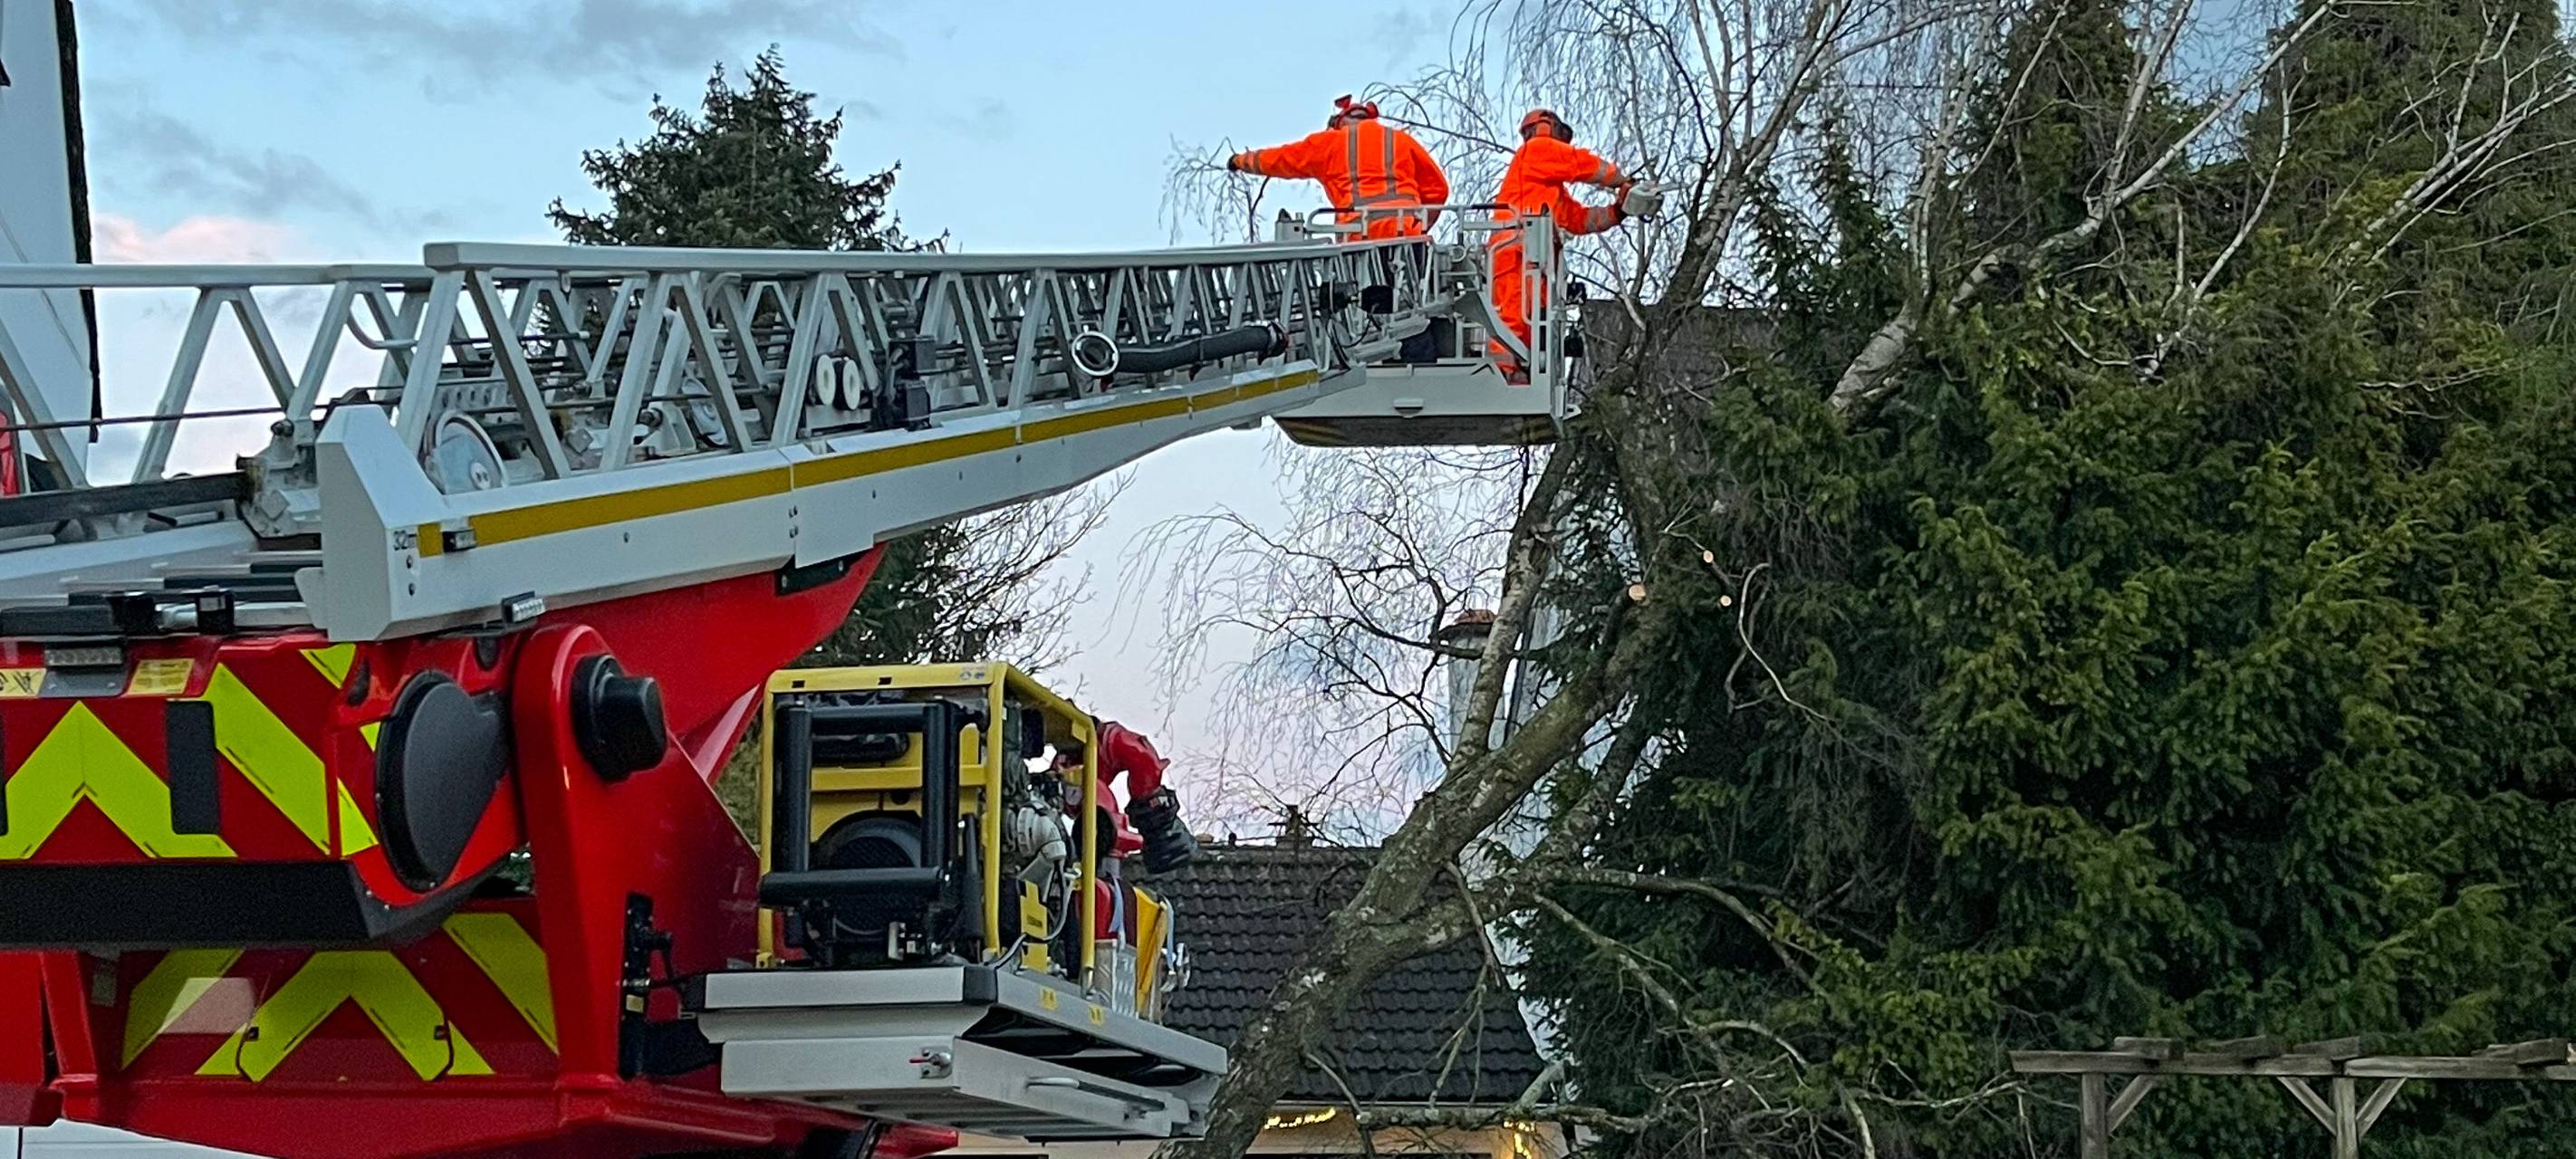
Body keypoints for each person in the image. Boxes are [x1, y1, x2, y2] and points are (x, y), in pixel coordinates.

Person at [1487, 108, 1640, 381]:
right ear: (1549, 129)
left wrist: (1618, 211)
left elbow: (1580, 220)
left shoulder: (1550, 191)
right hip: (1516, 251)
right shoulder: (1536, 149)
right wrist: (1621, 180)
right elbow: (1580, 164)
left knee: (1530, 321)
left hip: (1534, 259)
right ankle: (1500, 376)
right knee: (1512, 317)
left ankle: (1518, 373)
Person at [1227, 95, 1451, 240]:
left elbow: (1282, 159)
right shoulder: (1401, 140)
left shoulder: (1329, 143)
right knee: (1411, 296)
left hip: (1358, 232)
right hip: (1406, 230)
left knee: (1361, 303)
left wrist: (1240, 161)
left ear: (1339, 122)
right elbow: (1437, 190)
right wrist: (1420, 224)